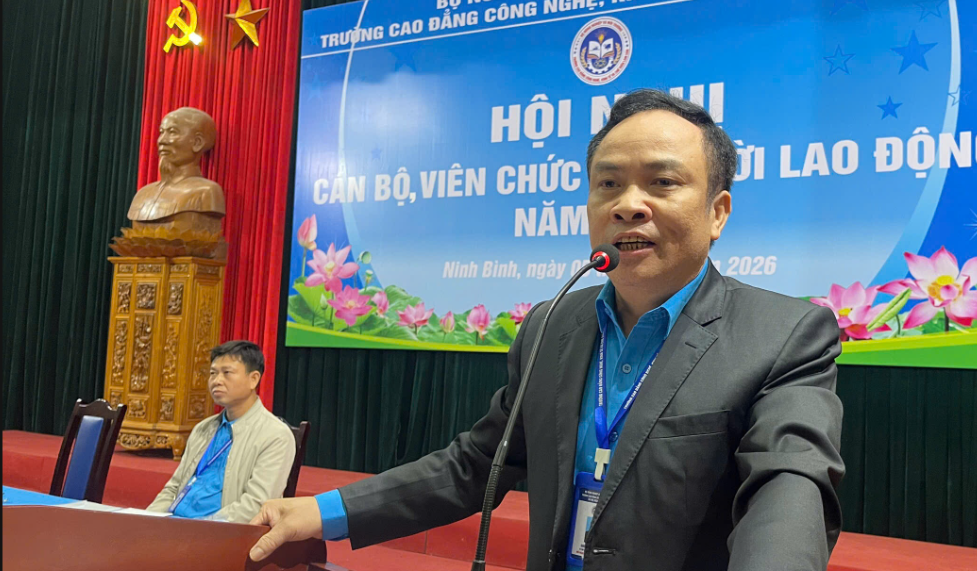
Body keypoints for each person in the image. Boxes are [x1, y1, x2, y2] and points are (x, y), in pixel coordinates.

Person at [249, 89, 844, 570]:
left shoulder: (782, 335)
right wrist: (322, 512)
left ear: (717, 212)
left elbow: (789, 489)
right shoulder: (551, 325)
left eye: (662, 183)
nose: (628, 205)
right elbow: (476, 465)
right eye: (608, 184)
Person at [147, 340, 295, 523]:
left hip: (219, 531)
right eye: (213, 373)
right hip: (175, 524)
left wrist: (202, 527)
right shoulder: (203, 429)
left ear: (254, 379)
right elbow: (174, 487)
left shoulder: (275, 435)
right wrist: (146, 519)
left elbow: (255, 505)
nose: (216, 381)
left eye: (227, 373)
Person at [127, 107, 225, 236]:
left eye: (172, 132)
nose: (161, 140)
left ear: (197, 143)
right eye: (162, 132)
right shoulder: (143, 194)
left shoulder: (206, 192)